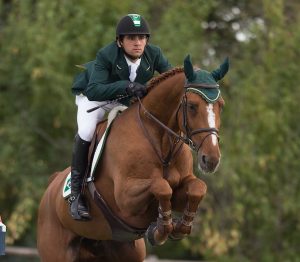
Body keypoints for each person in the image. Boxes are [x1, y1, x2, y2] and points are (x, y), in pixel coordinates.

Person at [69, 14, 172, 220]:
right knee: (87, 131)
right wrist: (125, 85)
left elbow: (170, 79)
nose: (137, 43)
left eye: (142, 38)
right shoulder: (106, 55)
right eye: (131, 38)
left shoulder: (154, 54)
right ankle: (76, 194)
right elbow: (95, 90)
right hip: (94, 98)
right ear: (120, 41)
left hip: (125, 100)